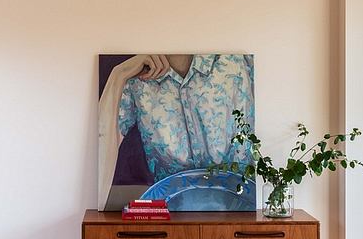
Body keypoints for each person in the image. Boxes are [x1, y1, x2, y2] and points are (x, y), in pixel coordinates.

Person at [98, 53, 254, 210]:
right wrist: (119, 74)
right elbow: (101, 145)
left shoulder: (237, 63)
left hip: (243, 211)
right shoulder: (137, 81)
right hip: (170, 219)